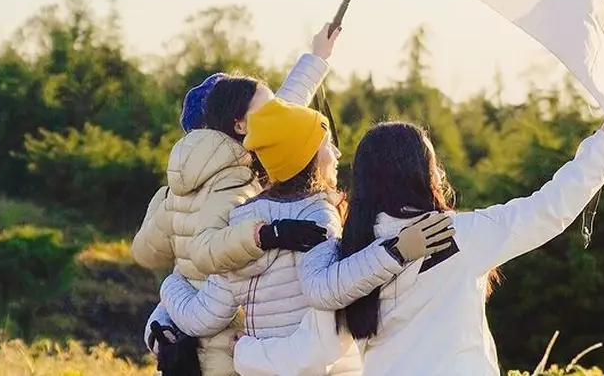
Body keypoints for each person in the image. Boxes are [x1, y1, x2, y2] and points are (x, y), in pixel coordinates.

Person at [235, 106, 604, 376]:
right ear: (420, 172)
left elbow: (316, 327)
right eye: (432, 160)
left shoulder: (345, 249)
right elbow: (549, 208)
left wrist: (239, 351)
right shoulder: (455, 234)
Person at [159, 97, 455, 376]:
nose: (337, 153)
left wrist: (171, 283)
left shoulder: (240, 228)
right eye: (327, 146)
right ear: (307, 156)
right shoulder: (321, 219)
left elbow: (203, 316)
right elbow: (330, 306)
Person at [132, 25, 345, 376]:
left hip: (185, 328)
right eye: (266, 109)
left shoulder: (182, 182)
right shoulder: (238, 181)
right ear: (241, 125)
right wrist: (267, 235)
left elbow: (145, 251)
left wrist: (316, 57)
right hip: (223, 341)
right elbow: (209, 253)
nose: (276, 112)